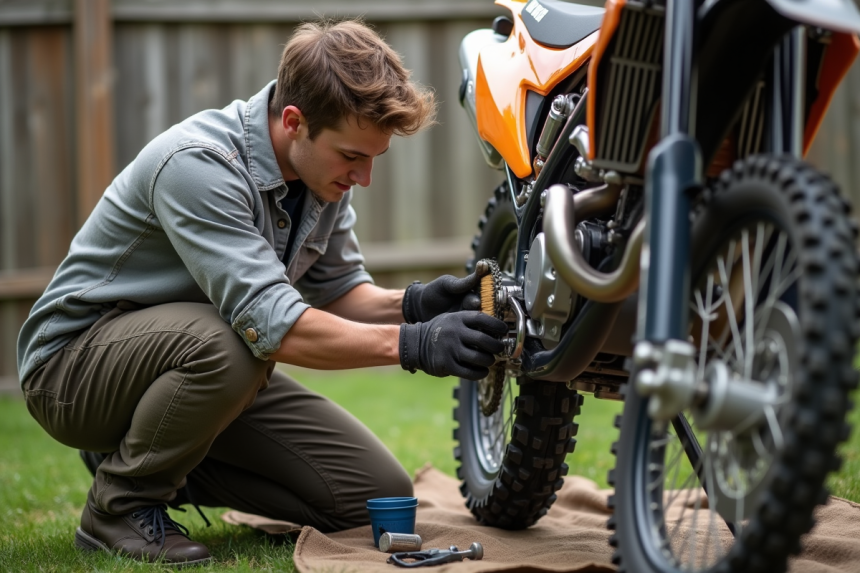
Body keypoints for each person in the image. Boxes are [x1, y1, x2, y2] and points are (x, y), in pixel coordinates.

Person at [16, 19, 507, 566]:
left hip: (190, 367)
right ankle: (120, 506)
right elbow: (274, 327)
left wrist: (415, 304)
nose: (363, 177)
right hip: (74, 371)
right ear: (294, 122)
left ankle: (146, 454)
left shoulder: (319, 176)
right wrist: (415, 345)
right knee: (235, 344)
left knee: (374, 494)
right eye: (352, 157)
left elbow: (337, 291)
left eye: (374, 158)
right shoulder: (199, 165)